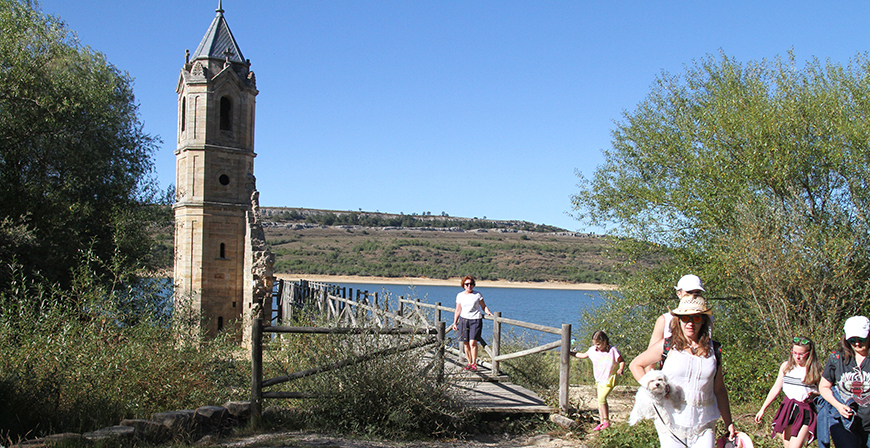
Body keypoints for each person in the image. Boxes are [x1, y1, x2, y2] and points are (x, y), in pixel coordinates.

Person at [630, 293, 737, 447]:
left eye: (696, 318)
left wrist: (729, 423)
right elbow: (635, 365)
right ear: (678, 320)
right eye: (685, 318)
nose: (690, 323)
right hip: (671, 420)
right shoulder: (667, 346)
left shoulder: (715, 349)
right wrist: (649, 387)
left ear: (704, 321)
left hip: (704, 421)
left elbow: (719, 389)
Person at [754, 336, 821, 447]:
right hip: (788, 410)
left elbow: (825, 391)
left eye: (801, 354)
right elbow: (776, 388)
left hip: (805, 411)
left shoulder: (816, 370)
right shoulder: (786, 367)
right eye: (794, 353)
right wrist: (763, 408)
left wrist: (815, 394)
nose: (797, 357)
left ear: (809, 353)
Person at [818, 315, 870, 447]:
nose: (857, 344)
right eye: (852, 340)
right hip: (844, 422)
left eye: (862, 339)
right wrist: (837, 405)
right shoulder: (837, 358)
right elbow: (824, 387)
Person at [571, 330, 624, 431]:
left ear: (605, 341)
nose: (596, 346)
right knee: (600, 402)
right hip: (599, 380)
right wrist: (571, 353)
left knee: (602, 398)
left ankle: (606, 421)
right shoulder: (592, 350)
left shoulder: (612, 351)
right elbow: (582, 355)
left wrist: (621, 369)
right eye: (595, 344)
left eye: (598, 344)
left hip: (609, 380)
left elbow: (621, 360)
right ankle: (601, 422)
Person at [450, 275, 493, 371]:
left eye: (471, 284)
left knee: (473, 342)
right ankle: (469, 362)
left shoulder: (477, 294)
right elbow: (457, 310)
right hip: (464, 320)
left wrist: (488, 312)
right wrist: (455, 322)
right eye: (467, 284)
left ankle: (474, 363)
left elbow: (483, 306)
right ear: (463, 285)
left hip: (475, 320)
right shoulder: (460, 295)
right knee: (465, 343)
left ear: (474, 285)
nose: (469, 286)